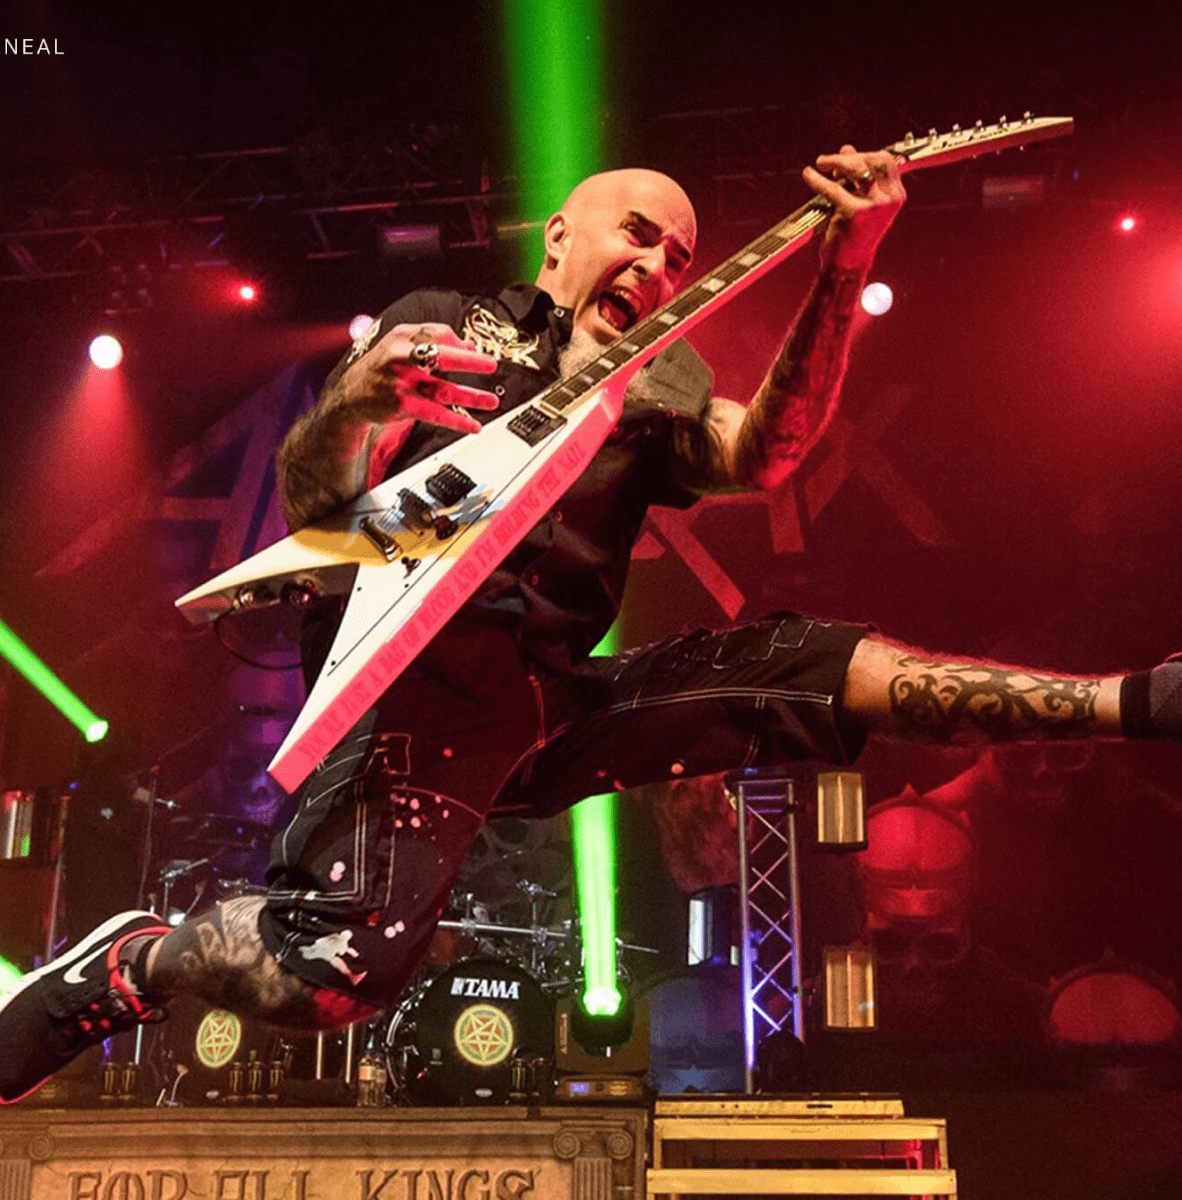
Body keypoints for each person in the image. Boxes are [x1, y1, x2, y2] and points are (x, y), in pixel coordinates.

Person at [3, 148, 1180, 1105]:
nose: (659, 261)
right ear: (558, 237)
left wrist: (845, 263)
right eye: (635, 231)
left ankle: (1133, 698)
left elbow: (765, 454)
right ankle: (131, 960)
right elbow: (319, 504)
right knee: (340, 978)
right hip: (410, 711)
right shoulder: (443, 325)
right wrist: (366, 400)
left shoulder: (657, 386)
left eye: (677, 252)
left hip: (553, 702)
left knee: (798, 665)